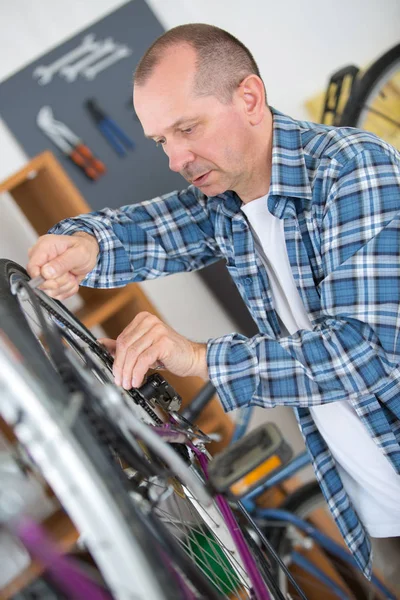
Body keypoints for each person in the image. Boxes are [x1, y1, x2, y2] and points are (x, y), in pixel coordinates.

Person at [27, 24, 400, 578]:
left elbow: (363, 352)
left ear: (248, 98)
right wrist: (80, 246)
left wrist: (197, 358)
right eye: (161, 141)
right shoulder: (226, 199)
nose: (176, 157)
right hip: (375, 513)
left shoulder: (351, 170)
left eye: (187, 128)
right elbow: (146, 231)